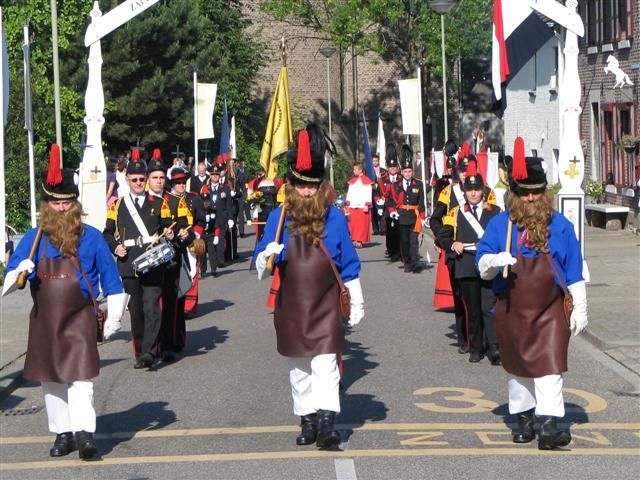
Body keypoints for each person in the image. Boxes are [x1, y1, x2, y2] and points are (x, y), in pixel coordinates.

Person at [2, 145, 127, 460]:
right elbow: (7, 284)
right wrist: (20, 269)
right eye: (56, 203)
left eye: (68, 203)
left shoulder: (93, 237)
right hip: (45, 319)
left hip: (80, 317)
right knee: (51, 379)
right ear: (47, 205)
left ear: (76, 204)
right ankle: (63, 432)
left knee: (81, 379)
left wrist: (113, 318)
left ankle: (85, 432)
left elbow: (113, 281)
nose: (62, 209)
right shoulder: (32, 239)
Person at [254, 123, 364, 449]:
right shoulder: (277, 217)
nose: (305, 192)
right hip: (292, 305)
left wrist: (356, 300)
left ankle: (328, 421)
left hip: (327, 301)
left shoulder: (334, 217)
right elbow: (261, 263)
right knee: (299, 367)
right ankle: (308, 419)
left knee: (326, 364)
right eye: (300, 186)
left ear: (320, 186)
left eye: (311, 187)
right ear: (291, 184)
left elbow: (348, 261)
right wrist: (266, 256)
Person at [476, 140, 588, 450]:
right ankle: (524, 419)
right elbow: (482, 262)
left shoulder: (561, 227)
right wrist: (493, 261)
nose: (530, 198)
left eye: (536, 192)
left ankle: (550, 424)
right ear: (514, 194)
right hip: (512, 306)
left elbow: (574, 268)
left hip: (550, 309)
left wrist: (580, 308)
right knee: (518, 368)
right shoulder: (501, 225)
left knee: (550, 367)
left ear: (544, 193)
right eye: (524, 193)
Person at [103, 148, 175, 369]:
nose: (138, 183)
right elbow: (107, 233)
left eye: (141, 179)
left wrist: (170, 234)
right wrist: (116, 248)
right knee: (136, 311)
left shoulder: (159, 203)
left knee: (152, 306)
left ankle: (149, 353)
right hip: (128, 264)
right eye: (134, 179)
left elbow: (166, 228)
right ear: (127, 179)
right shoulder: (117, 205)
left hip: (152, 262)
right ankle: (140, 351)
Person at [437, 161, 501, 364]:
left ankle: (494, 347)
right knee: (472, 310)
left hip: (488, 264)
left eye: (476, 190)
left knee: (489, 307)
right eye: (469, 190)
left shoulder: (495, 211)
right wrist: (452, 243)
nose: (473, 194)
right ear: (464, 192)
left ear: (483, 191)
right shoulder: (455, 212)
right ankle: (475, 348)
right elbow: (442, 236)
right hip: (466, 264)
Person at [160, 167, 204, 356]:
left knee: (182, 290)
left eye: (182, 182)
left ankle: (179, 337)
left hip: (190, 245)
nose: (180, 185)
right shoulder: (167, 201)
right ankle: (168, 337)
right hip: (173, 248)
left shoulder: (194, 198)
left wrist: (195, 235)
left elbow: (200, 221)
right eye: (177, 183)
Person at [389, 144, 426, 273]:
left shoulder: (418, 184)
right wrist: (392, 211)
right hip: (402, 217)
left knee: (414, 241)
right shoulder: (396, 185)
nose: (407, 174)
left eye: (409, 171)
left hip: (414, 217)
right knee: (404, 242)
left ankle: (416, 263)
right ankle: (407, 262)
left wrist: (422, 217)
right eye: (405, 171)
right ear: (401, 172)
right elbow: (390, 201)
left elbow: (421, 202)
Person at [200, 164, 233, 276]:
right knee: (210, 243)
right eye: (213, 174)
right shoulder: (205, 188)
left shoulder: (225, 188)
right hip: (210, 221)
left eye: (217, 175)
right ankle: (211, 264)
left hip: (221, 219)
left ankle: (220, 260)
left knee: (220, 240)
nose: (215, 176)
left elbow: (229, 205)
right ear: (210, 175)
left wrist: (230, 218)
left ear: (219, 176)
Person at [378, 145, 401, 261]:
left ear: (397, 167)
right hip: (388, 209)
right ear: (387, 168)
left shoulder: (401, 178)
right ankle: (392, 252)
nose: (392, 169)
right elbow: (381, 193)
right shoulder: (383, 179)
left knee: (400, 230)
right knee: (390, 231)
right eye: (390, 167)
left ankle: (400, 251)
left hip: (399, 208)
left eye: (394, 167)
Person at [346, 162, 374, 248]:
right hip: (353, 205)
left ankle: (359, 241)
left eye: (355, 169)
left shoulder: (367, 181)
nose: (353, 171)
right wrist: (348, 203)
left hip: (362, 206)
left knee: (361, 225)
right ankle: (353, 238)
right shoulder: (352, 181)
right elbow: (349, 193)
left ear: (360, 170)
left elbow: (368, 193)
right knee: (353, 223)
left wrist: (367, 204)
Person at [371, 155, 386, 235]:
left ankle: (382, 228)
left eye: (376, 161)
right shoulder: (368, 171)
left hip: (380, 192)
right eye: (373, 161)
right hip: (372, 192)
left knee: (381, 209)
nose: (375, 162)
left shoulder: (383, 171)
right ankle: (375, 229)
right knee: (373, 211)